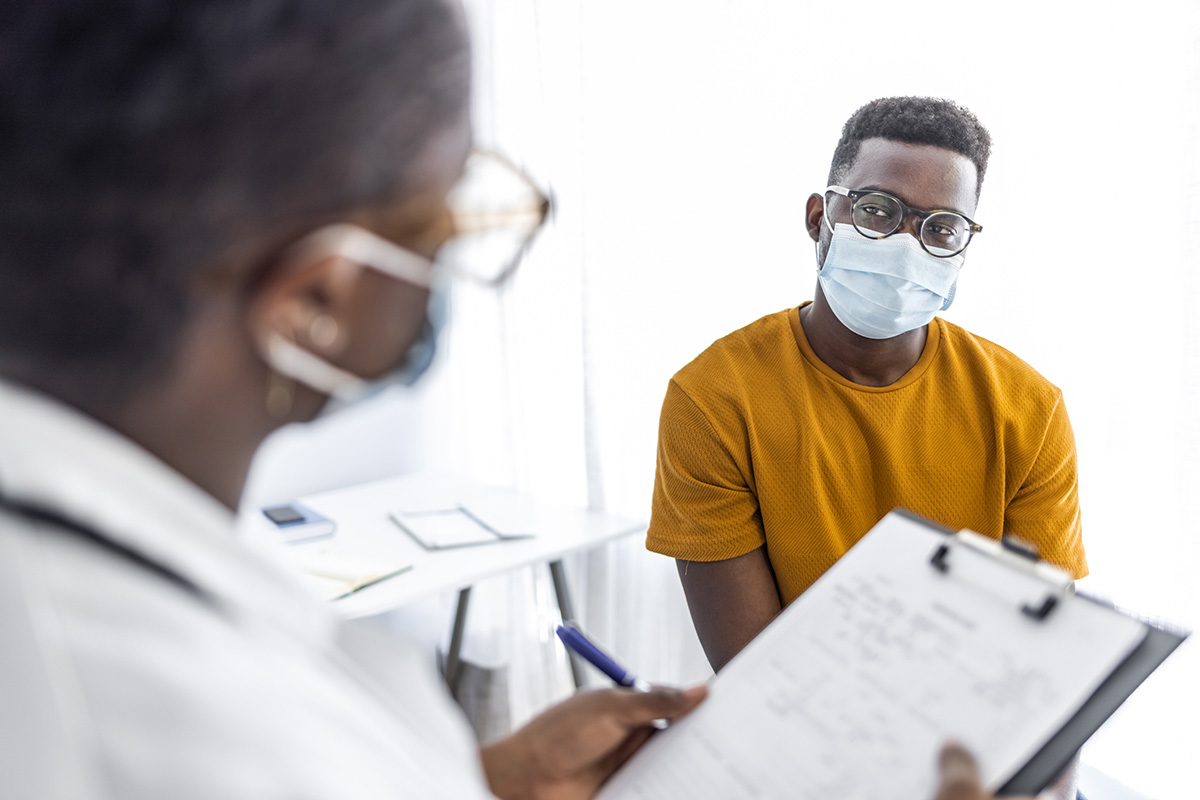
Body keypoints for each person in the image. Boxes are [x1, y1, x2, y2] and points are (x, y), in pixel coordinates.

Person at [0, 4, 1038, 798]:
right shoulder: (238, 737)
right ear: (317, 294)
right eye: (453, 204)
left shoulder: (1020, 402)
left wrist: (485, 781)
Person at [646, 96, 1088, 797]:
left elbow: (1033, 650)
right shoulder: (714, 399)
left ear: (964, 248)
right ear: (821, 218)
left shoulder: (1027, 410)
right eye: (879, 210)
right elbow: (759, 672)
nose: (909, 243)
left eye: (941, 228)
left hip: (971, 749)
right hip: (803, 742)